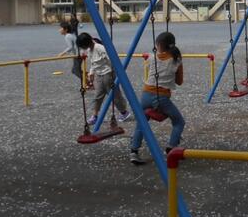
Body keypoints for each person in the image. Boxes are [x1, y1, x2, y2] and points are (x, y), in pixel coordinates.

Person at [130, 31, 185, 164]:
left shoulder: (151, 57)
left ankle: (134, 151)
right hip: (162, 98)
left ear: (158, 45)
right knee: (179, 122)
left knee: (141, 123)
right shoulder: (177, 60)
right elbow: (179, 82)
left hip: (146, 95)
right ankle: (171, 147)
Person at [75, 32, 131, 125]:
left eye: (82, 46)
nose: (82, 48)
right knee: (98, 96)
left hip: (108, 74)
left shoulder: (100, 48)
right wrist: (91, 73)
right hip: (98, 74)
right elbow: (93, 63)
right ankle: (95, 116)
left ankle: (124, 112)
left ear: (86, 43)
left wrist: (114, 73)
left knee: (114, 95)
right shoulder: (89, 50)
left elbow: (111, 59)